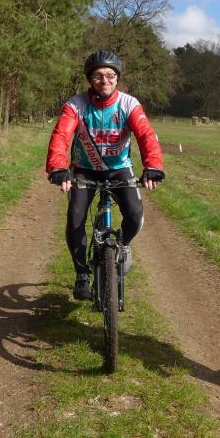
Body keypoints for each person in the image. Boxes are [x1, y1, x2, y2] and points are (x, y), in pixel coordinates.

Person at [46, 50, 165, 300]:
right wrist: (58, 167)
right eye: (98, 76)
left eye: (110, 75)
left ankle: (123, 246)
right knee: (75, 219)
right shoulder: (76, 105)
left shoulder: (129, 104)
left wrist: (152, 166)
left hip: (119, 169)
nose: (105, 81)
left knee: (135, 215)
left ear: (117, 78)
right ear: (90, 79)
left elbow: (145, 135)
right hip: (84, 169)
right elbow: (61, 135)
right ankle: (82, 274)